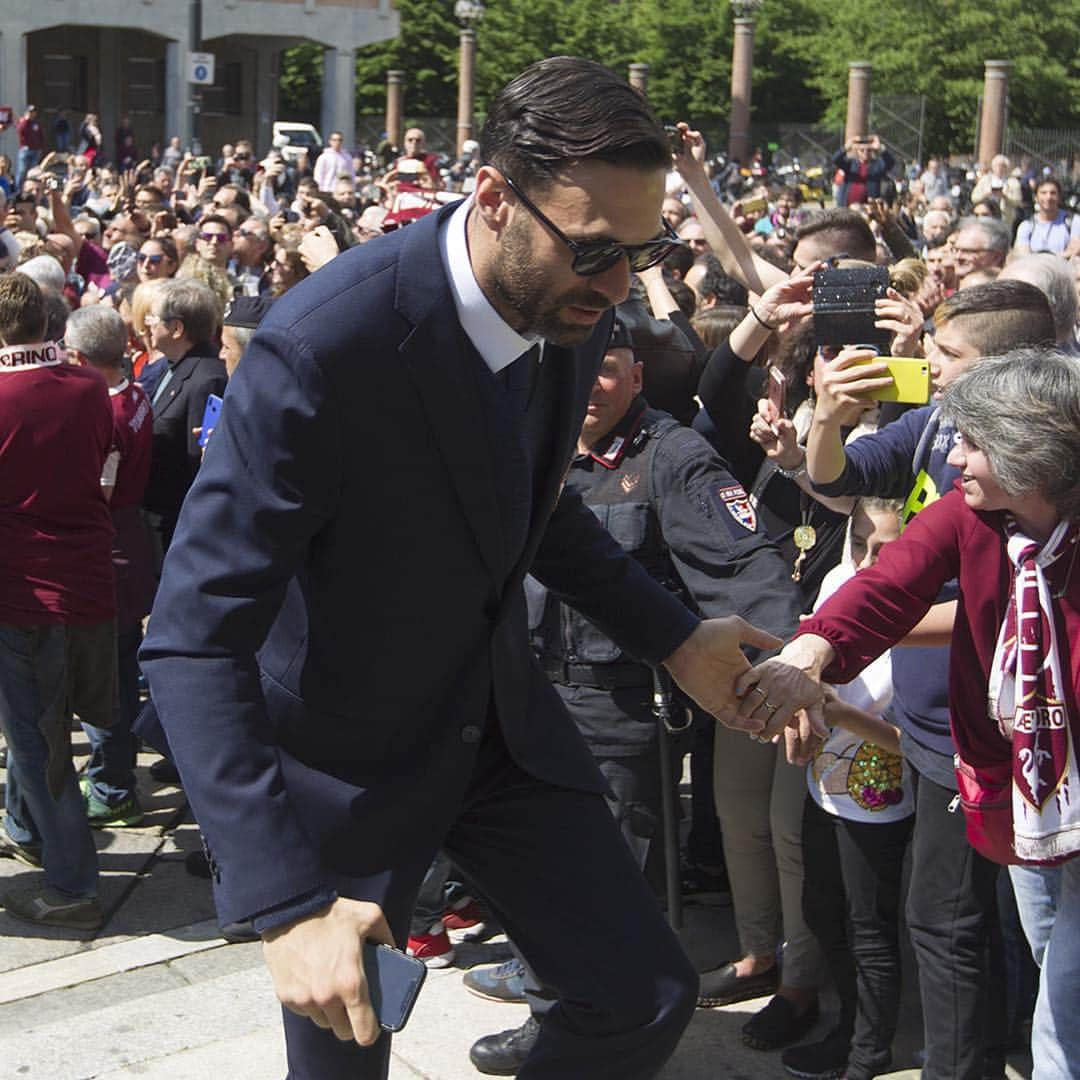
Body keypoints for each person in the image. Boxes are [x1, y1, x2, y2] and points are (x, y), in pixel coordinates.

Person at [139, 57, 820, 1080]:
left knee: (643, 992)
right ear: (495, 198)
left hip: (498, 727)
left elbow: (523, 510)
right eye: (597, 251)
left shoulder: (575, 308)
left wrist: (673, 638)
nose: (622, 284)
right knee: (345, 1055)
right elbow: (193, 635)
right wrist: (282, 904)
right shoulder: (324, 348)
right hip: (346, 757)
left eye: (646, 251)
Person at [464, 318, 803, 1074]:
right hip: (523, 696)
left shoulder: (674, 458)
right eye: (579, 373)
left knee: (608, 883)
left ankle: (603, 1031)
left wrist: (789, 666)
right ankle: (554, 1006)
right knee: (535, 877)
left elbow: (744, 564)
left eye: (609, 370)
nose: (591, 389)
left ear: (639, 377)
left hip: (619, 715)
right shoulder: (534, 445)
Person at [748, 348, 1080, 1080]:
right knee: (1050, 947)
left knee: (1065, 1009)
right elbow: (889, 586)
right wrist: (812, 652)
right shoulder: (972, 512)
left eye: (971, 443)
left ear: (1032, 456)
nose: (953, 459)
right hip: (1026, 790)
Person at [0, 273, 114, 931]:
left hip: (28, 594)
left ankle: (73, 883)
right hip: (88, 585)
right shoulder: (89, 386)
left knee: (40, 742)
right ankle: (28, 827)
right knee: (38, 726)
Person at [64, 306, 155, 829]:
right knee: (117, 672)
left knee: (105, 682)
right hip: (128, 544)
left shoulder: (108, 412)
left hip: (109, 552)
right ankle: (112, 775)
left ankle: (113, 787)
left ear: (78, 356)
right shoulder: (134, 393)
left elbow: (101, 489)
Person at [140, 278, 227, 562]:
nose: (147, 324)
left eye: (154, 317)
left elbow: (197, 461)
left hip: (177, 530)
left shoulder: (206, 379)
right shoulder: (171, 366)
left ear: (177, 328)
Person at [1013, 177, 1080, 257]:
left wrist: (1041, 258)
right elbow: (1023, 255)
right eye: (1043, 193)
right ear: (1036, 198)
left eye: (1053, 193)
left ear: (1059, 197)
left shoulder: (1073, 222)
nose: (1048, 197)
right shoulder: (1026, 226)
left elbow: (1074, 252)